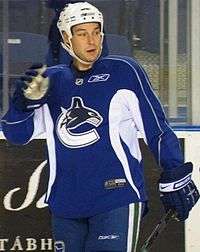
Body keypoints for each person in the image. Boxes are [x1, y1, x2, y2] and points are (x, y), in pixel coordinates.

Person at [1, 2, 199, 252]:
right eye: (82, 33)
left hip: (117, 197)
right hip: (65, 205)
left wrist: (175, 172)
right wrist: (22, 105)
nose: (91, 39)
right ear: (66, 37)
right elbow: (16, 135)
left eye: (96, 31)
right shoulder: (50, 80)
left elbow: (156, 128)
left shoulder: (124, 71)